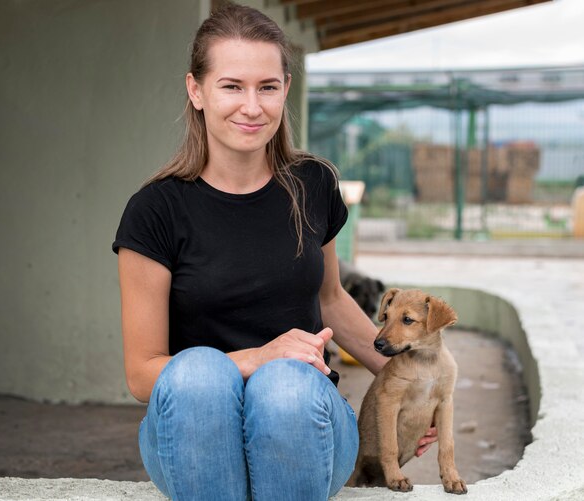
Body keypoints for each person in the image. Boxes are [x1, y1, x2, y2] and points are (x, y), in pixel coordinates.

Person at [112, 3, 436, 500]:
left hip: (303, 418)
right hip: (192, 428)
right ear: (196, 90)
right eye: (231, 86)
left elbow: (330, 299)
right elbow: (142, 374)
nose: (252, 106)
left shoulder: (314, 184)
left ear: (285, 89)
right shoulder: (155, 210)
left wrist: (408, 382)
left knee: (284, 386)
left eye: (267, 87)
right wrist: (257, 357)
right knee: (200, 372)